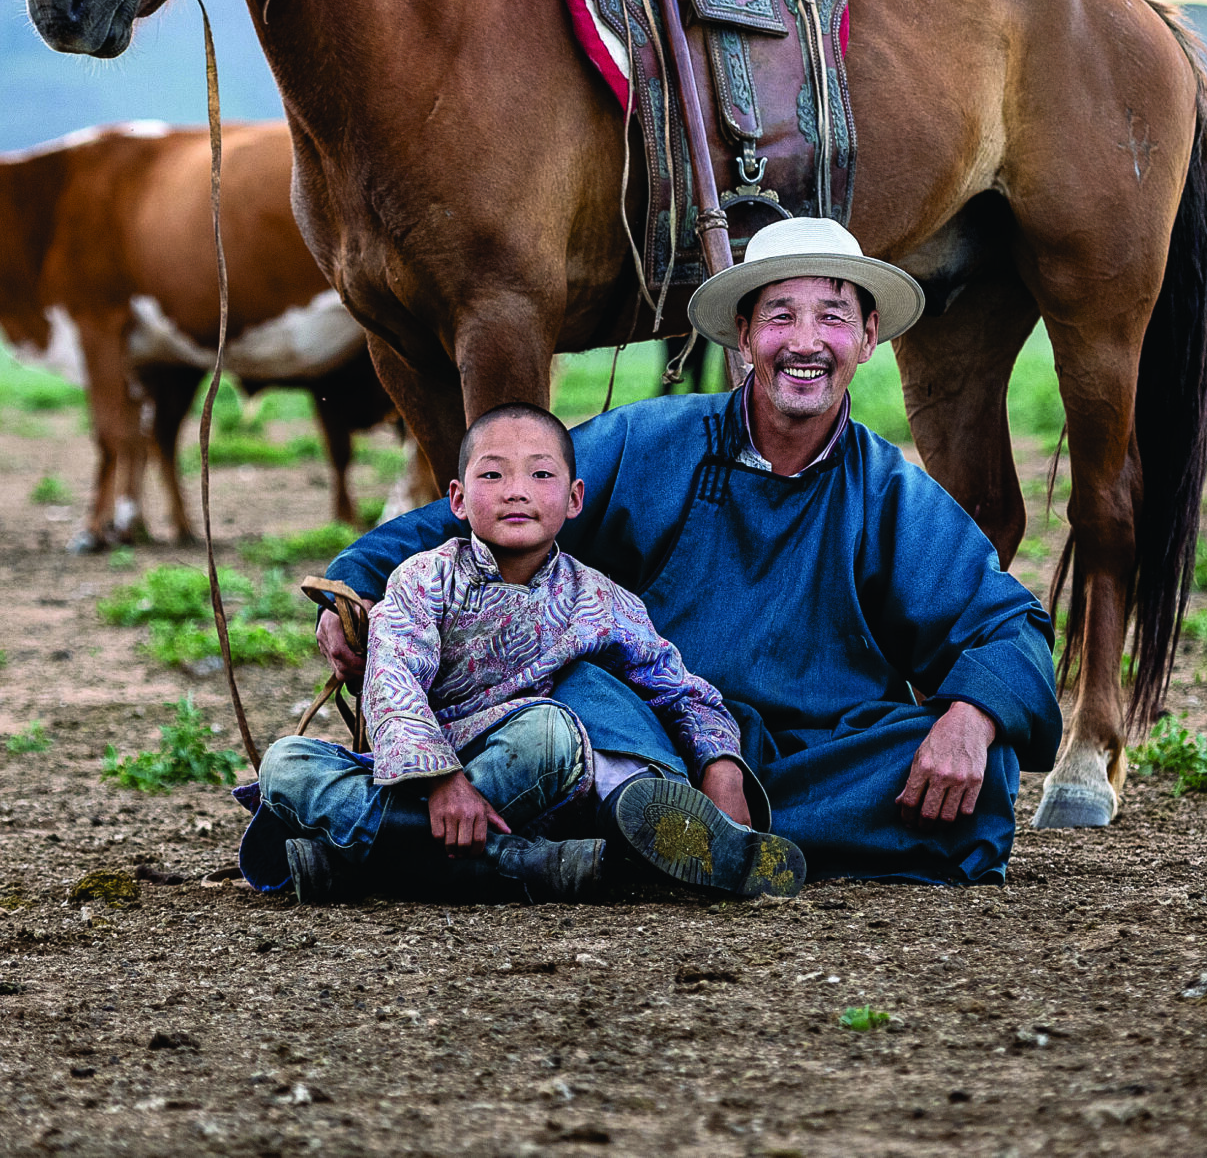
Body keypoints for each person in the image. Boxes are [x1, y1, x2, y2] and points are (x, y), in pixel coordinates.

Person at [316, 218, 1063, 885]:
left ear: (868, 340)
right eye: (780, 316)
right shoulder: (652, 441)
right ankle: (680, 828)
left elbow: (1010, 625)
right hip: (653, 738)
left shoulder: (890, 491)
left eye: (832, 317)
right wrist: (356, 581)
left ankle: (658, 841)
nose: (805, 342)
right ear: (743, 337)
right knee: (578, 686)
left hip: (809, 759)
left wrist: (972, 714)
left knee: (984, 771)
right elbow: (503, 501)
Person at [239, 403, 811, 904]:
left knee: (551, 730)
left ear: (574, 498)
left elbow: (679, 689)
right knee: (285, 762)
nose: (516, 490)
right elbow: (393, 679)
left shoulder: (600, 599)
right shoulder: (423, 578)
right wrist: (441, 780)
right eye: (493, 474)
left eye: (540, 474)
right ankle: (519, 866)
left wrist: (721, 767)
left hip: (530, 778)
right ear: (458, 500)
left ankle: (356, 859)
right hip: (418, 775)